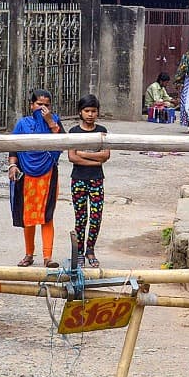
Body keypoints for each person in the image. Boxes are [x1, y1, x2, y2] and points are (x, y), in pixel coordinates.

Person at [9, 89, 63, 268]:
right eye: (39, 104)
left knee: (47, 217)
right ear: (31, 105)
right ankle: (28, 254)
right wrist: (12, 165)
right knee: (29, 216)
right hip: (27, 176)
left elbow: (62, 143)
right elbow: (13, 147)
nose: (43, 108)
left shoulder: (55, 122)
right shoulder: (23, 124)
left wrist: (49, 122)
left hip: (48, 174)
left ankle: (48, 257)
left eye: (46, 105)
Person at [67, 95, 110, 268]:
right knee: (80, 217)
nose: (90, 114)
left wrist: (83, 154)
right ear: (80, 112)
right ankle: (79, 253)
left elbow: (106, 155)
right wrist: (95, 160)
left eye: (93, 111)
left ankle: (90, 250)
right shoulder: (73, 132)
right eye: (87, 111)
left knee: (96, 217)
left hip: (96, 180)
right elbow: (72, 157)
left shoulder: (102, 130)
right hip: (78, 179)